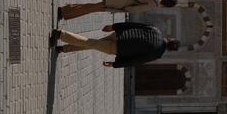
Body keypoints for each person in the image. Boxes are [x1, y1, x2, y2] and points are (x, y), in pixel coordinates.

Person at [49, 21, 179, 68]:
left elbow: (132, 25)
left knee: (92, 43)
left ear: (170, 39)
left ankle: (63, 48)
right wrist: (116, 64)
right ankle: (61, 34)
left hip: (119, 35)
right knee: (90, 43)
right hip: (118, 48)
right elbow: (136, 60)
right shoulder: (156, 54)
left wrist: (114, 26)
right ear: (170, 50)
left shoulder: (155, 30)